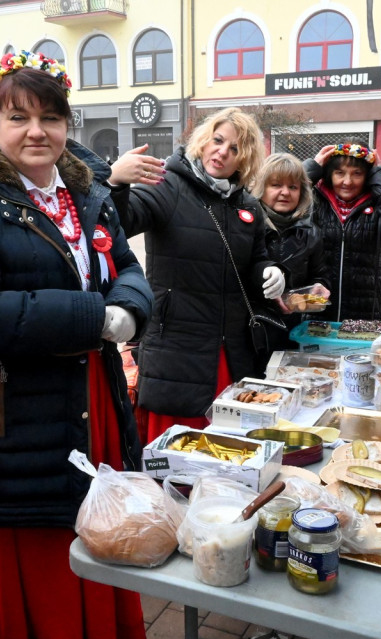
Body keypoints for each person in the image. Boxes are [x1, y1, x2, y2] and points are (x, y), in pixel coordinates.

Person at [0, 51, 153, 639]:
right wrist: (89, 320)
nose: (36, 132)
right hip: (17, 412)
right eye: (18, 117)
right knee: (45, 539)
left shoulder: (84, 193)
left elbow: (126, 269)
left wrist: (127, 311)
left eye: (50, 117)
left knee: (95, 522)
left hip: (90, 395)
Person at [108, 107, 285, 441]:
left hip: (231, 351)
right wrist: (116, 182)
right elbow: (121, 223)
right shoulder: (167, 185)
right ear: (203, 141)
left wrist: (271, 271)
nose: (222, 152)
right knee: (176, 450)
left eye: (235, 149)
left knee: (228, 448)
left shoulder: (246, 204)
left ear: (243, 160)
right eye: (218, 141)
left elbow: (257, 258)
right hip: (177, 347)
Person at [304, 143, 381, 321]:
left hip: (366, 314)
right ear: (329, 173)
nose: (347, 181)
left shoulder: (377, 205)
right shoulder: (313, 201)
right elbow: (285, 200)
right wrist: (310, 170)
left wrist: (380, 173)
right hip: (316, 310)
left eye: (357, 173)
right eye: (340, 173)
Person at [250, 152, 330, 350]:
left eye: (293, 187)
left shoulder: (311, 233)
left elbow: (321, 275)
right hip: (251, 330)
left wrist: (320, 287)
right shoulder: (246, 225)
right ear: (261, 188)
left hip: (293, 330)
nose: (285, 192)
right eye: (276, 185)